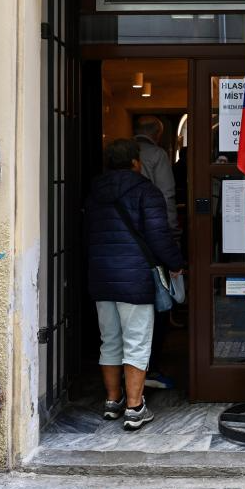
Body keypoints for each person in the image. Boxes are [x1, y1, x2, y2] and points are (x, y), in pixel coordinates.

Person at [85, 138, 184, 431]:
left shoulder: (94, 192)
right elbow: (158, 236)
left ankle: (112, 401)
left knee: (110, 340)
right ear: (135, 162)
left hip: (101, 276)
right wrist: (176, 263)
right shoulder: (146, 191)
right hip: (135, 278)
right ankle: (134, 406)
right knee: (137, 342)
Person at [133, 115, 180, 391]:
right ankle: (151, 366)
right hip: (153, 239)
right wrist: (173, 235)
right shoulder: (158, 154)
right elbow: (167, 195)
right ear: (157, 135)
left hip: (127, 243)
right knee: (159, 303)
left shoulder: (126, 153)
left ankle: (127, 382)